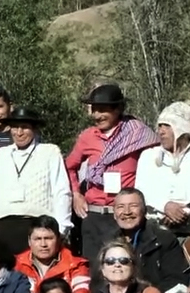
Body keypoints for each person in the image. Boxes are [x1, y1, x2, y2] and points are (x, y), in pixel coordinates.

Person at [65, 84, 156, 260]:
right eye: (94, 110)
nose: (97, 116)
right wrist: (76, 194)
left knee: (123, 265)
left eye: (103, 110)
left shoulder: (138, 134)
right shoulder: (87, 137)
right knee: (92, 269)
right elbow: (70, 166)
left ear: (118, 109)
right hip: (93, 214)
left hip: (124, 216)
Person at [0, 105, 71, 248]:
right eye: (15, 127)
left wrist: (61, 229)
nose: (19, 132)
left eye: (24, 127)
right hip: (3, 228)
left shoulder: (50, 152)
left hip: (38, 227)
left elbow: (61, 192)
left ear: (34, 129)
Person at [134, 103, 190, 236]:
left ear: (182, 128)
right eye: (160, 126)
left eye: (167, 126)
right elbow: (141, 191)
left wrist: (182, 212)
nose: (161, 131)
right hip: (154, 230)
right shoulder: (149, 156)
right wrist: (165, 206)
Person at [107, 187, 186, 293]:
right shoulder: (108, 241)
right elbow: (98, 281)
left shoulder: (163, 239)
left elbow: (175, 279)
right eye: (120, 207)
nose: (127, 212)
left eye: (133, 206)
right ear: (114, 213)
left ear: (144, 210)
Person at [16, 218, 91, 293]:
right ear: (29, 241)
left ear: (59, 239)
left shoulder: (76, 265)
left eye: (48, 238)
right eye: (38, 239)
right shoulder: (15, 265)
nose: (43, 244)